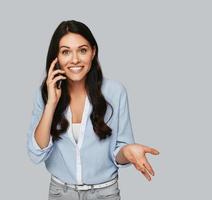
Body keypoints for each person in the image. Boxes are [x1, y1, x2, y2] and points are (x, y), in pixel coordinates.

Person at [26, 20, 160, 200]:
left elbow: (118, 152)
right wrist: (51, 103)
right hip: (61, 193)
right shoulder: (45, 94)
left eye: (82, 50)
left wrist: (127, 152)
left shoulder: (114, 92)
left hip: (105, 193)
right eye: (66, 52)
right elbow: (37, 153)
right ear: (56, 56)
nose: (75, 59)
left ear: (93, 52)